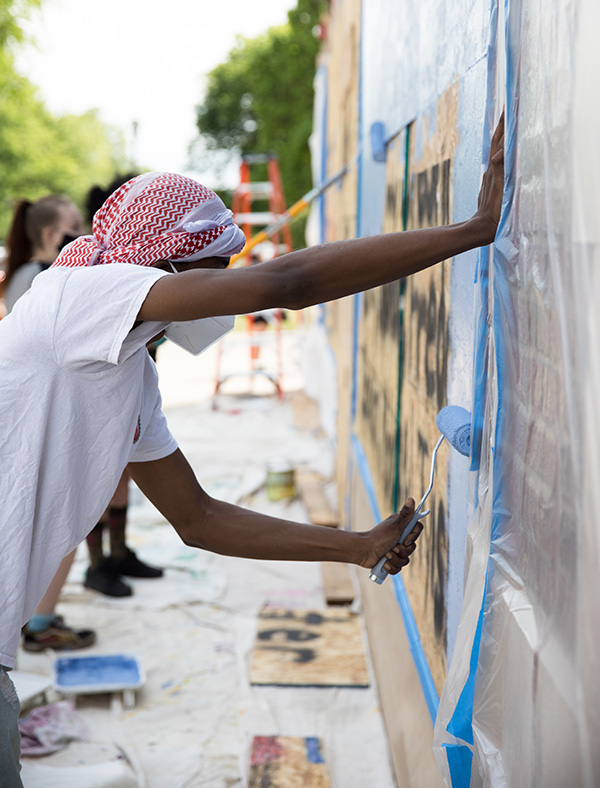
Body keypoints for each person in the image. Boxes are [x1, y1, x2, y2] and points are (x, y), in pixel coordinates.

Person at [0, 115, 504, 785]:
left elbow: (200, 519)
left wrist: (357, 546)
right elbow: (287, 285)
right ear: (165, 259)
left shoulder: (132, 375)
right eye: (217, 266)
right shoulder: (78, 297)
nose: (224, 284)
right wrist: (471, 230)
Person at [0, 194, 96, 654]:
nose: (85, 235)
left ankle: (35, 617)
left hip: (38, 416)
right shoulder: (39, 281)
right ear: (50, 236)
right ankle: (37, 623)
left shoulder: (34, 277)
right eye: (75, 228)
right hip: (35, 419)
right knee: (56, 523)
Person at [82, 175, 165, 597]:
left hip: (128, 393)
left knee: (121, 479)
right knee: (99, 481)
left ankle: (117, 554)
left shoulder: (135, 267)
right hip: (99, 399)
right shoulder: (98, 272)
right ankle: (97, 565)